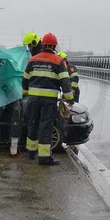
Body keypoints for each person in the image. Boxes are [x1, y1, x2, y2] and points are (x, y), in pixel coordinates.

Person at [23, 33, 74, 165]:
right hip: (49, 101)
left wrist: (26, 93)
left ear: (43, 44)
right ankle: (44, 157)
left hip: (33, 99)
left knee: (32, 123)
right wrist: (70, 99)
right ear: (54, 45)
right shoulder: (58, 61)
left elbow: (25, 78)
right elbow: (65, 81)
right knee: (45, 126)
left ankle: (31, 153)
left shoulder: (33, 59)